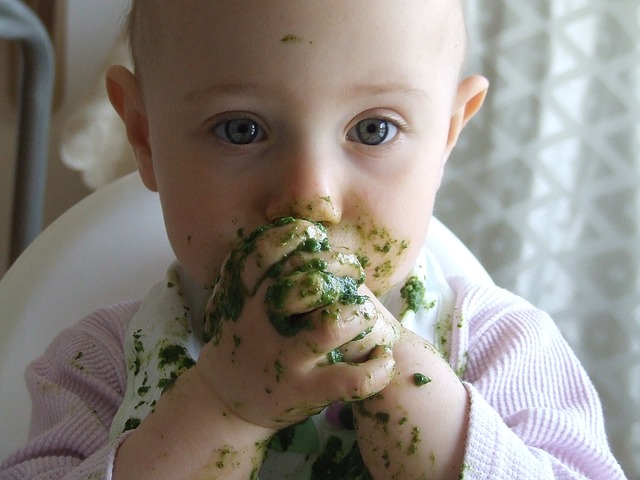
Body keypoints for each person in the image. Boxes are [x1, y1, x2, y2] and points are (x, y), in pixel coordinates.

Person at [0, 1, 627, 479]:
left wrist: (417, 404)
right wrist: (220, 407)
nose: (309, 196)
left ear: (445, 139)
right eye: (241, 129)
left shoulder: (504, 351)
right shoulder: (93, 368)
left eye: (375, 128)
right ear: (144, 135)